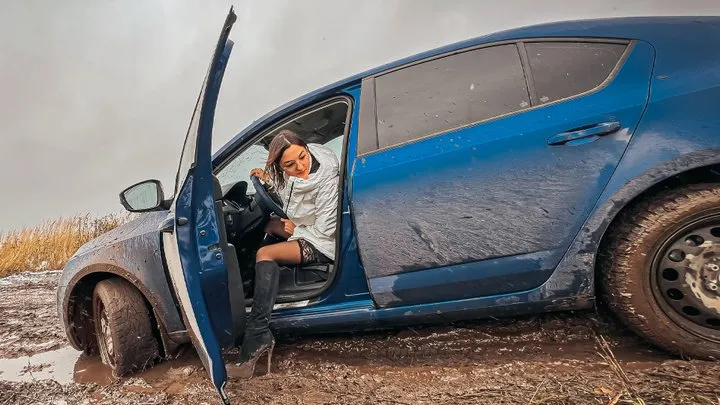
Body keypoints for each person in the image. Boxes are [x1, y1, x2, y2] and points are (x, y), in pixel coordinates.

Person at [234, 129, 339, 378]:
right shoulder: (288, 175)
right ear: (280, 166)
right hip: (308, 230)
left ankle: (258, 334)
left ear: (307, 149)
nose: (300, 167)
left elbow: (327, 229)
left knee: (266, 255)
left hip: (324, 242)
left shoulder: (326, 179)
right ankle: (253, 287)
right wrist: (267, 183)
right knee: (269, 223)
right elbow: (292, 198)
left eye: (302, 157)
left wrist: (296, 228)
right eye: (289, 165)